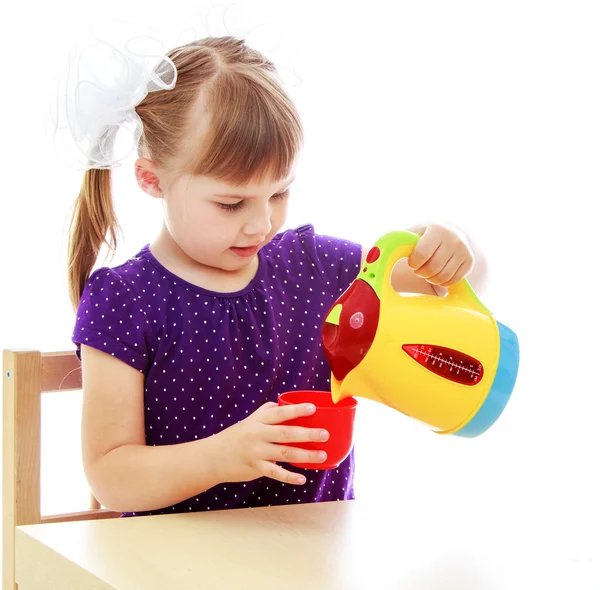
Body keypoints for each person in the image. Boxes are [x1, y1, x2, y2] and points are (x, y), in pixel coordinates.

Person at [61, 33, 488, 516]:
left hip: (312, 557)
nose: (261, 224)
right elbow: (112, 478)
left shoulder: (313, 267)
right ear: (151, 179)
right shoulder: (125, 298)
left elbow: (441, 288)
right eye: (231, 203)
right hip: (174, 565)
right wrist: (222, 456)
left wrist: (449, 243)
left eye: (280, 194)